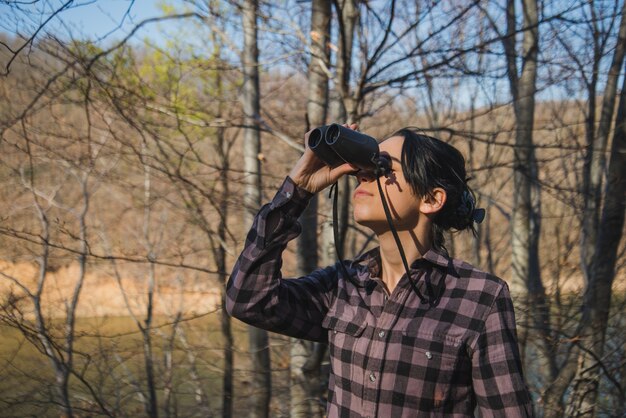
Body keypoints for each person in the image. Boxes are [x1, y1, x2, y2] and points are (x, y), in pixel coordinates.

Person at [226, 125, 534, 417]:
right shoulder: (343, 285)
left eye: (382, 168)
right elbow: (249, 299)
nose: (363, 175)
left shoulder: (480, 297)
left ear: (431, 199)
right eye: (365, 167)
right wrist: (299, 190)